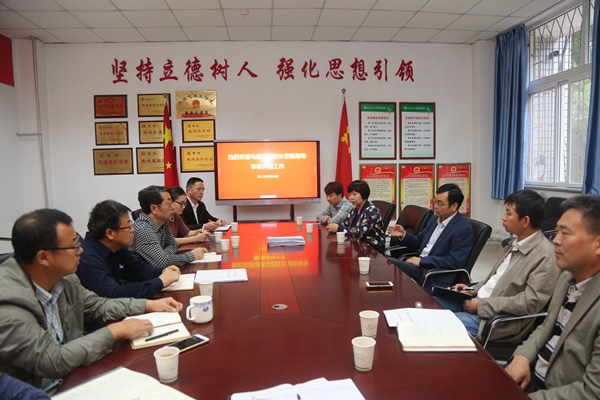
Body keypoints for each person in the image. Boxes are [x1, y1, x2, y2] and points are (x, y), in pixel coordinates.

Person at [0, 209, 183, 390]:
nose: (80, 250)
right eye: (73, 246)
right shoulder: (8, 303)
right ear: (44, 257)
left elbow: (97, 305)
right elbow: (51, 361)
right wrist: (114, 331)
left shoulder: (64, 278)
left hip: (75, 374)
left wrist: (149, 304)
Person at [505, 195, 600, 398]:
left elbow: (592, 392)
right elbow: (547, 325)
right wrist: (522, 355)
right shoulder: (567, 277)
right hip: (532, 376)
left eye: (565, 233)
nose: (555, 240)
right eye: (557, 231)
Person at [434, 190, 561, 342]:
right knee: (429, 304)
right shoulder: (516, 243)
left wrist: (481, 305)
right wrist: (472, 289)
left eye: (508, 213)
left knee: (437, 325)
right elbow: (496, 279)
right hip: (479, 301)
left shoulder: (545, 256)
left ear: (525, 220)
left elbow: (529, 302)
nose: (503, 217)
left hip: (496, 320)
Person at [77, 200, 181, 299]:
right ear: (110, 233)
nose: (133, 229)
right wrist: (160, 282)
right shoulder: (87, 257)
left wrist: (162, 271)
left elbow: (136, 269)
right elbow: (112, 293)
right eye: (128, 226)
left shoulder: (116, 246)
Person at [386, 183, 473, 293]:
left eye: (440, 203)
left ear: (454, 206)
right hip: (419, 267)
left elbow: (454, 261)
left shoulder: (463, 228)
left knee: (388, 263)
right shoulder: (434, 220)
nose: (435, 206)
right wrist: (404, 235)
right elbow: (419, 241)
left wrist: (422, 261)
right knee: (384, 263)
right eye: (435, 201)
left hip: (433, 273)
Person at [129, 185, 206, 268]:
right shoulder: (143, 229)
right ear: (154, 208)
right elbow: (162, 262)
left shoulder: (163, 222)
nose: (173, 207)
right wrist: (191, 255)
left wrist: (164, 255)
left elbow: (174, 245)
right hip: (143, 274)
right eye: (169, 204)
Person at [326, 180, 386, 254]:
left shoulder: (371, 210)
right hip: (359, 246)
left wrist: (338, 228)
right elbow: (345, 224)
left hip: (372, 249)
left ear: (363, 194)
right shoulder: (355, 208)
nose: (351, 198)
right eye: (349, 194)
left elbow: (360, 231)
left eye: (354, 194)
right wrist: (334, 227)